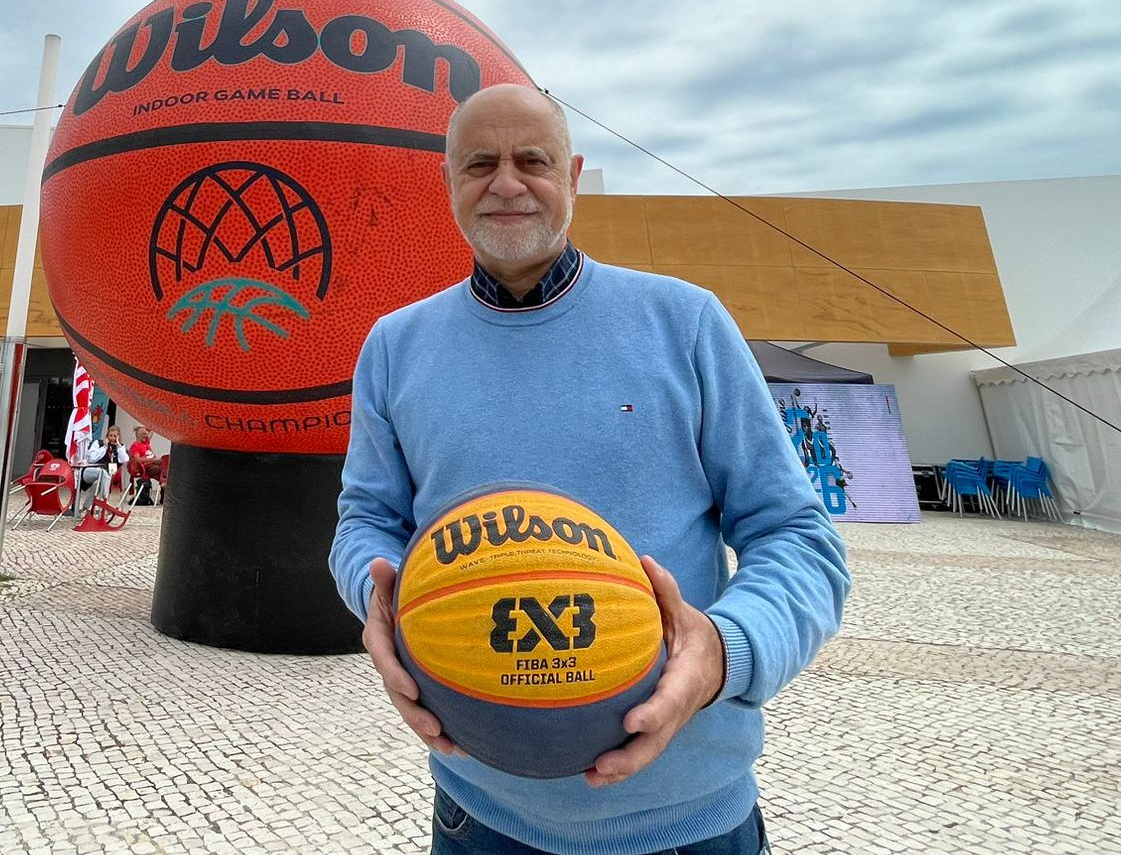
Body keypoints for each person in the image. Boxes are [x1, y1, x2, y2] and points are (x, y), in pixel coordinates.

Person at [329, 85, 850, 855]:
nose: (506, 183)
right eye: (479, 163)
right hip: (479, 815)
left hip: (690, 822)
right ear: (447, 184)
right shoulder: (394, 345)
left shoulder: (686, 322)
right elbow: (366, 519)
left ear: (570, 175)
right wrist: (384, 600)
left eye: (531, 160)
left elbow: (796, 534)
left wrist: (723, 648)